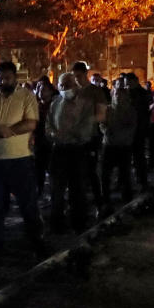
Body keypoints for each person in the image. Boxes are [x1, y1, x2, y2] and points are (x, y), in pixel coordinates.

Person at [0, 61, 46, 257]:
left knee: (28, 204)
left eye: (7, 78)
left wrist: (8, 131)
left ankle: (36, 242)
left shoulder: (26, 96)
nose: (3, 81)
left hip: (20, 159)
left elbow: (31, 123)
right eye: (0, 78)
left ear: (15, 77)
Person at [46, 73, 95, 235]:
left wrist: (67, 135)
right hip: (58, 150)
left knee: (78, 189)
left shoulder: (85, 104)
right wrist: (54, 135)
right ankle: (57, 223)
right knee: (56, 189)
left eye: (67, 84)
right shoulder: (56, 102)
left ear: (75, 85)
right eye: (61, 85)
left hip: (77, 150)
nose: (64, 88)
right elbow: (49, 124)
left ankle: (79, 222)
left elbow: (86, 127)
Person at [72, 62, 108, 212]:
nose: (76, 80)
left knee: (91, 172)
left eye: (79, 76)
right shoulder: (73, 91)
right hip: (73, 138)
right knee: (75, 173)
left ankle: (99, 203)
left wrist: (87, 120)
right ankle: (78, 205)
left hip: (90, 137)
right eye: (74, 77)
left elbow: (102, 115)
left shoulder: (95, 92)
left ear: (85, 74)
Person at [100, 86, 137, 214]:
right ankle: (105, 199)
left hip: (123, 146)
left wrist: (118, 134)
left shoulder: (130, 110)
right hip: (109, 145)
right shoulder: (108, 109)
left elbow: (131, 128)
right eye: (115, 94)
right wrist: (106, 131)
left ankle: (127, 198)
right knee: (105, 174)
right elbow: (102, 124)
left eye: (120, 94)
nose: (117, 97)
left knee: (125, 173)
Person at [124, 73, 152, 191]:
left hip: (138, 130)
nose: (127, 86)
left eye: (128, 83)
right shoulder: (127, 93)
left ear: (135, 81)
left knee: (138, 157)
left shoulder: (142, 94)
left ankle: (142, 181)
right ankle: (126, 182)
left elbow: (143, 113)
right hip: (128, 130)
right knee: (127, 159)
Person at [34, 81, 57, 196]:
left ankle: (55, 195)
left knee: (52, 170)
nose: (40, 92)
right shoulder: (36, 105)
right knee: (39, 169)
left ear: (51, 92)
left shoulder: (55, 106)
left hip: (52, 143)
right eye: (38, 90)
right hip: (39, 142)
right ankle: (40, 191)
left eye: (43, 90)